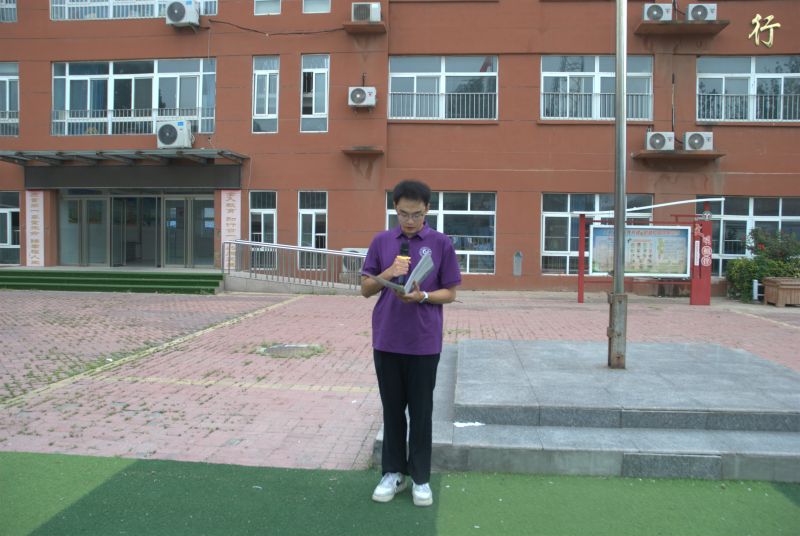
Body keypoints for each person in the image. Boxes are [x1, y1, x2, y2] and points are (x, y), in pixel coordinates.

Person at [360, 180, 462, 507]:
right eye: (404, 213)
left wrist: (424, 296)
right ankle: (392, 473)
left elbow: (451, 292)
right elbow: (365, 288)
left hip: (423, 342)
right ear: (395, 208)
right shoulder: (381, 241)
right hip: (387, 338)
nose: (410, 220)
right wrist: (390, 271)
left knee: (421, 412)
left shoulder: (441, 243)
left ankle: (420, 478)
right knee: (392, 410)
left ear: (427, 210)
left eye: (416, 214)